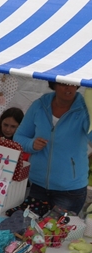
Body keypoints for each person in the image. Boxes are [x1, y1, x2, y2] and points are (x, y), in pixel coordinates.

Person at [14, 82, 91, 215]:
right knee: (27, 231)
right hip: (37, 186)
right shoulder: (39, 106)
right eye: (64, 84)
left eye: (73, 84)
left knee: (55, 234)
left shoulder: (85, 110)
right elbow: (19, 137)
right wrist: (31, 144)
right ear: (53, 84)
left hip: (69, 191)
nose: (69, 88)